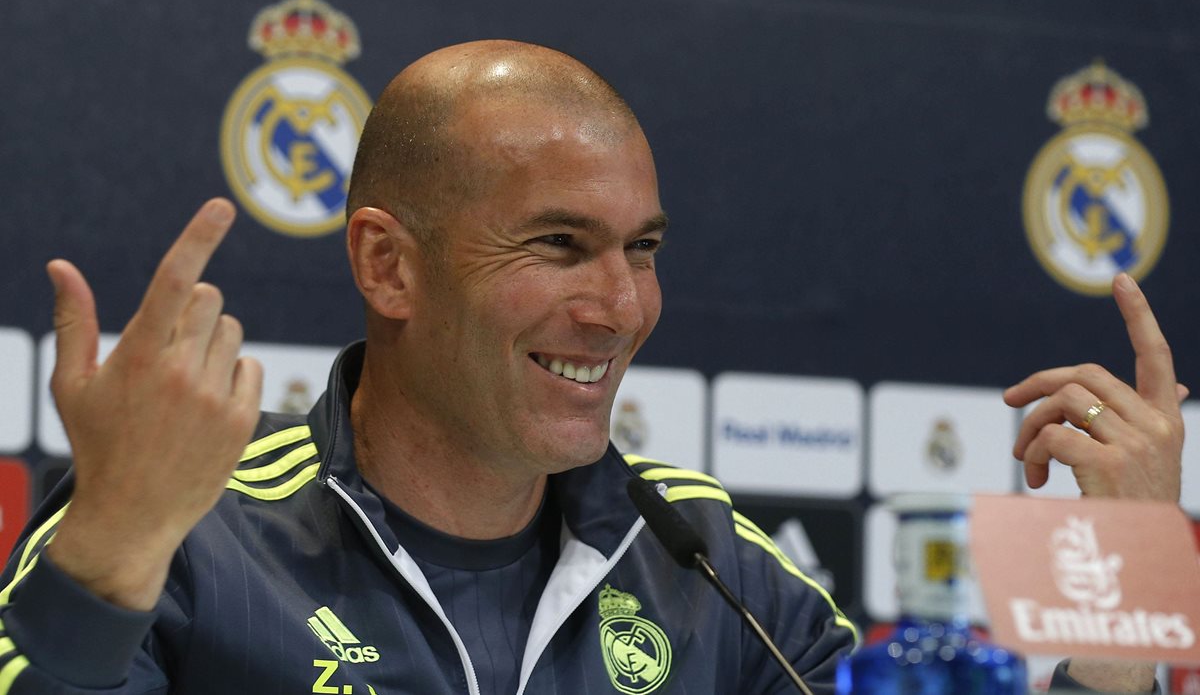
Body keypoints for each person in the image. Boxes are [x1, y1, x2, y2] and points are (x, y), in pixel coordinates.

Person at [0, 40, 1184, 694]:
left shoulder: (713, 568)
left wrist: (1125, 600)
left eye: (643, 250)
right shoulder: (186, 536)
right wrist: (111, 557)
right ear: (387, 264)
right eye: (559, 245)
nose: (620, 307)